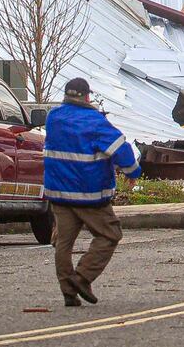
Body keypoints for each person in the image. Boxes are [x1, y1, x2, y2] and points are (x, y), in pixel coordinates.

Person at [42, 76, 141, 307]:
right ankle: (82, 277)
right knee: (110, 235)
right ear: (87, 97)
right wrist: (133, 172)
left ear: (66, 95)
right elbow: (120, 149)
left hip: (58, 193)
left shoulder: (53, 118)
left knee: (64, 242)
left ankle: (68, 291)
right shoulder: (94, 121)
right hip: (89, 194)